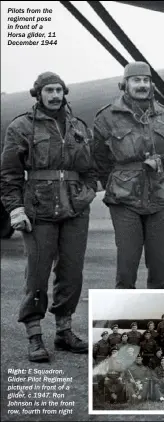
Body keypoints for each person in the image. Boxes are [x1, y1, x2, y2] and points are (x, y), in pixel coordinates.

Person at [0, 71, 97, 362]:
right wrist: (15, 209)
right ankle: (34, 336)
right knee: (38, 273)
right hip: (38, 209)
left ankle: (64, 332)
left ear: (64, 92)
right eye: (48, 91)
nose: (55, 95)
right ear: (38, 94)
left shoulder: (78, 126)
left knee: (71, 272)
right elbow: (9, 174)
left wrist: (88, 192)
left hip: (75, 209)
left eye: (58, 90)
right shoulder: (21, 126)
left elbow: (90, 168)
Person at [93, 61, 164, 289]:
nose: (141, 85)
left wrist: (160, 172)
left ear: (151, 84)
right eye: (136, 80)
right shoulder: (108, 117)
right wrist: (119, 178)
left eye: (145, 81)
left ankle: (160, 317)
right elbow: (99, 157)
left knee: (161, 266)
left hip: (159, 198)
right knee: (127, 265)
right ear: (125, 84)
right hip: (124, 200)